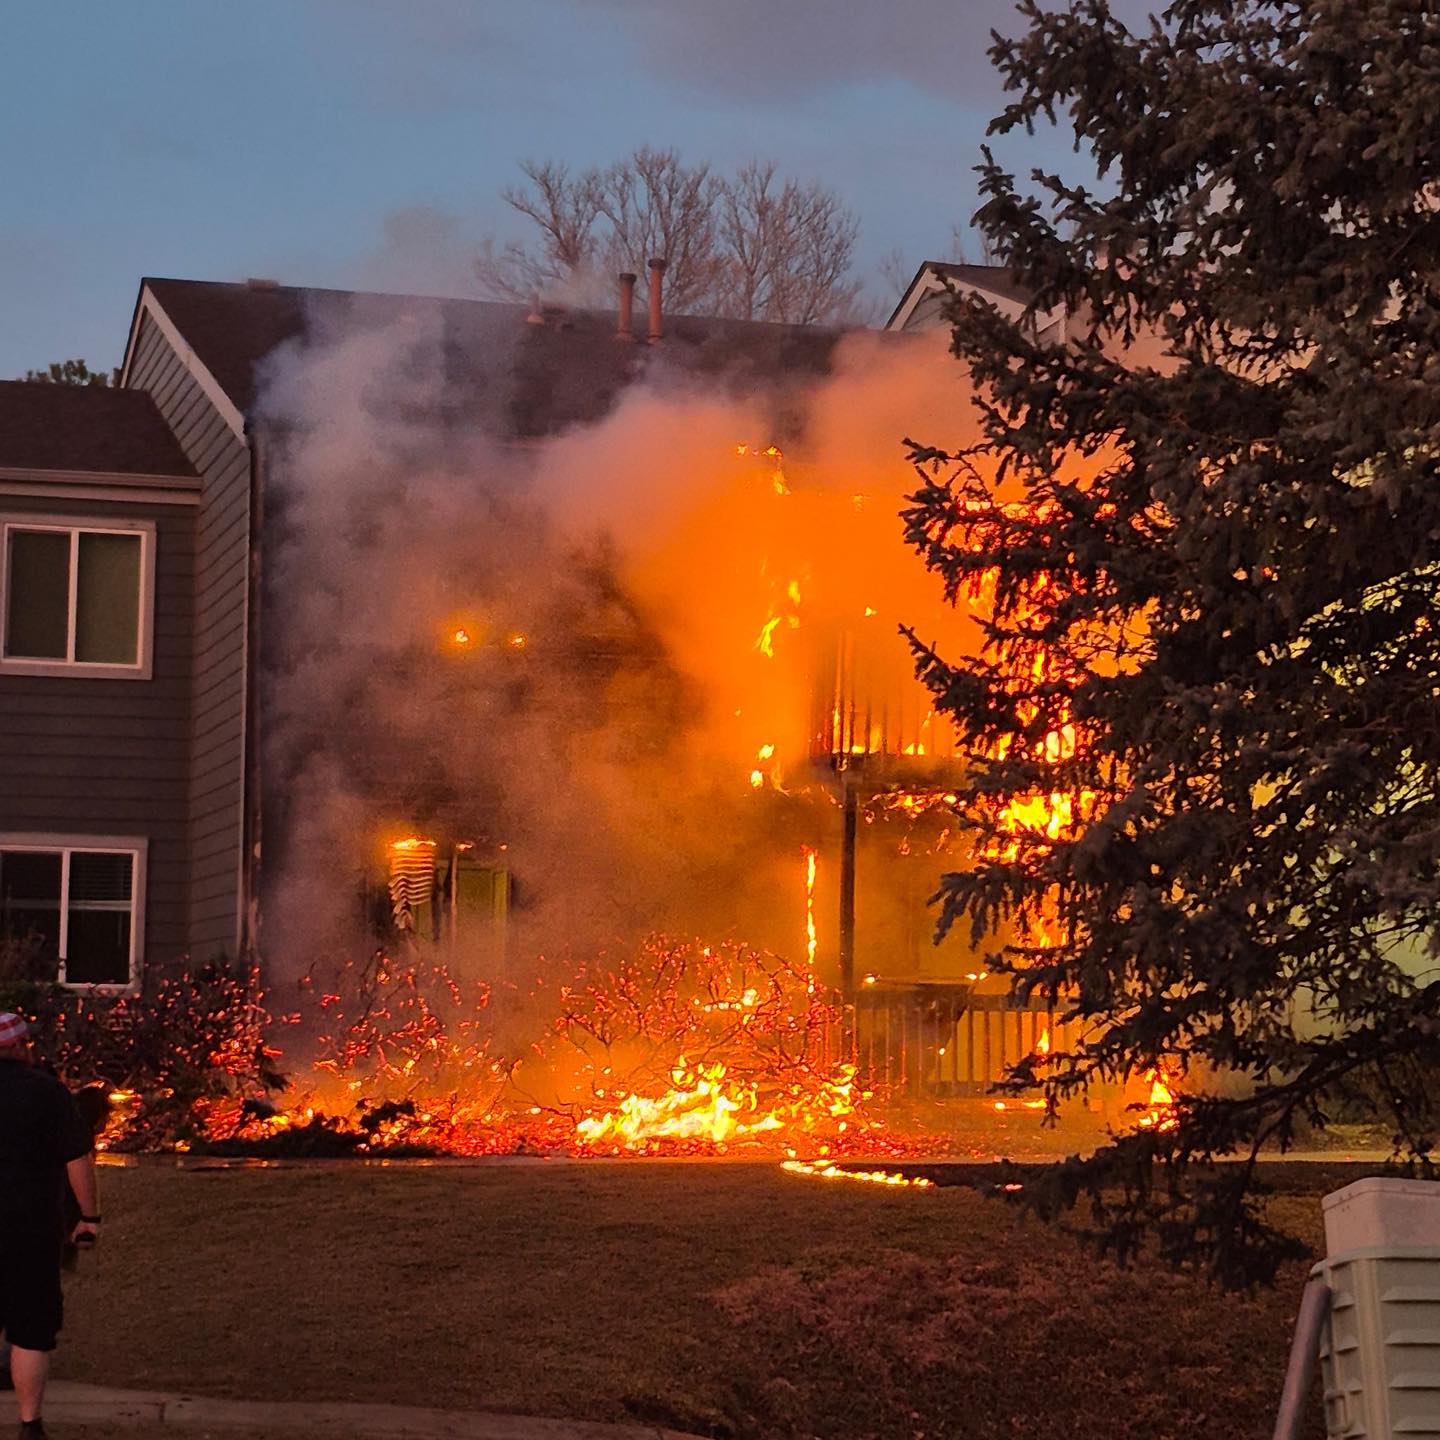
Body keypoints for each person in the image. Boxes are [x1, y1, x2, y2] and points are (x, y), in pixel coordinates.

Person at [0, 1012, 99, 1440]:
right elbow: (77, 1159)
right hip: (32, 1232)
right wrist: (90, 1218)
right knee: (31, 1331)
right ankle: (29, 1424)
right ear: (23, 1047)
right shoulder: (49, 1094)